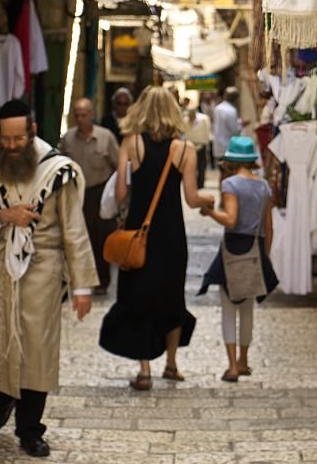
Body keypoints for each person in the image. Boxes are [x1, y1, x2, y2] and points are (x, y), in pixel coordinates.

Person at [0, 99, 98, 457]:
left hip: (42, 270)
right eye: (5, 140)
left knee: (36, 350)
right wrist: (3, 215)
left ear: (32, 132)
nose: (11, 147)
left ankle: (30, 430)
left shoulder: (57, 171)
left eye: (18, 139)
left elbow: (74, 230)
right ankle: (3, 396)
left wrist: (82, 287)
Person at [99, 86, 215, 390]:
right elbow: (191, 199)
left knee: (140, 296)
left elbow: (122, 192)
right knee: (172, 296)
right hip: (171, 233)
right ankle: (172, 364)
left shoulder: (132, 142)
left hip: (140, 230)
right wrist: (209, 202)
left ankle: (145, 370)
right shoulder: (185, 149)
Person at [198, 136, 279, 383]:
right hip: (255, 247)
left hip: (234, 247)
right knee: (247, 310)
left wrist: (210, 212)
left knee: (228, 309)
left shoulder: (230, 185)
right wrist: (264, 255)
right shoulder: (264, 186)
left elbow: (231, 220)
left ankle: (232, 365)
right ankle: (244, 361)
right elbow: (269, 226)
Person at [59, 98, 119, 296]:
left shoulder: (105, 137)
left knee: (101, 238)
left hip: (100, 192)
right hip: (76, 193)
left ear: (92, 114)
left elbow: (118, 165)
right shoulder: (67, 139)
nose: (80, 118)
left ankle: (102, 281)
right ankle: (76, 279)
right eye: (77, 114)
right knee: (75, 236)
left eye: (84, 114)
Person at [212, 86, 244, 170]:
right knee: (228, 171)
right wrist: (241, 125)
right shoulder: (231, 110)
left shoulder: (218, 108)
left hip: (219, 145)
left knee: (222, 170)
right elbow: (235, 130)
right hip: (228, 146)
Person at [184, 105, 212, 189]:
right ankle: (193, 182)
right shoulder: (185, 120)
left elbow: (207, 132)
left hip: (201, 145)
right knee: (191, 166)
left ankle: (201, 182)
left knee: (201, 165)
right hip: (190, 145)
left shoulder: (203, 119)